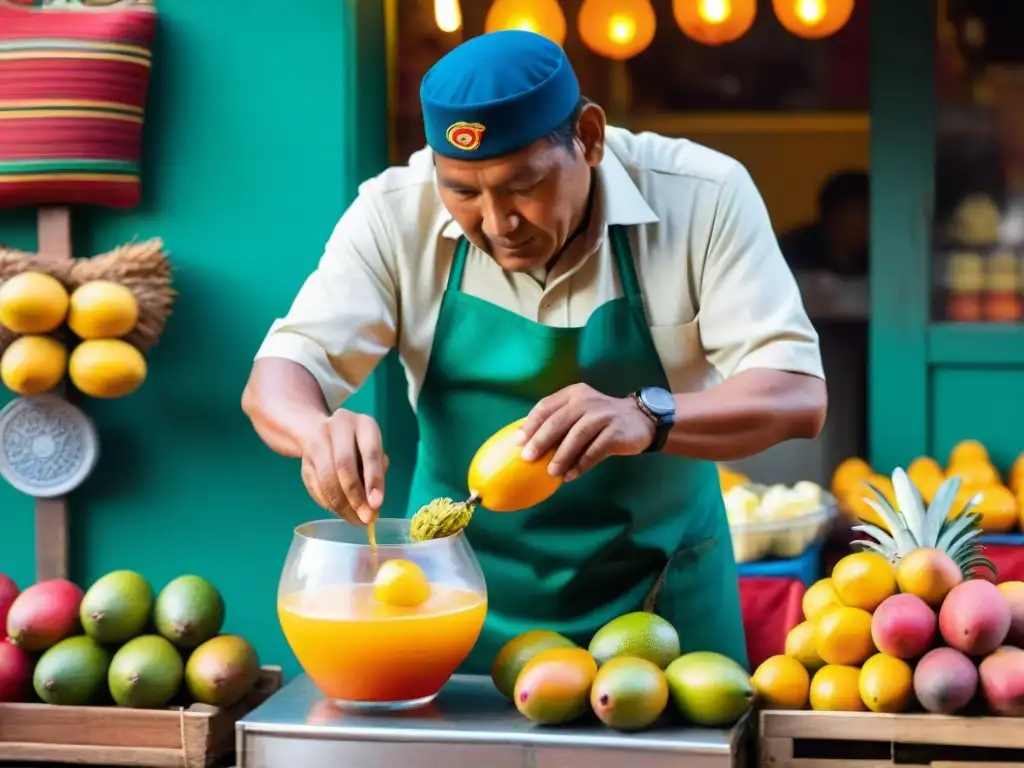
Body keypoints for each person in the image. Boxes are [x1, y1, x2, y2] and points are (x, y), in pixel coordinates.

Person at [242, 30, 826, 674]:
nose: (497, 222)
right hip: (452, 612)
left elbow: (796, 394)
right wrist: (316, 431)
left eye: (524, 185)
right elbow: (280, 373)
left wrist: (648, 414)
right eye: (463, 192)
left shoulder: (702, 196)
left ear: (591, 137)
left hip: (659, 614)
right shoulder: (393, 212)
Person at [778, 171, 869, 277]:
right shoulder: (789, 251)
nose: (870, 219)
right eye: (862, 210)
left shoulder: (878, 256)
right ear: (836, 215)